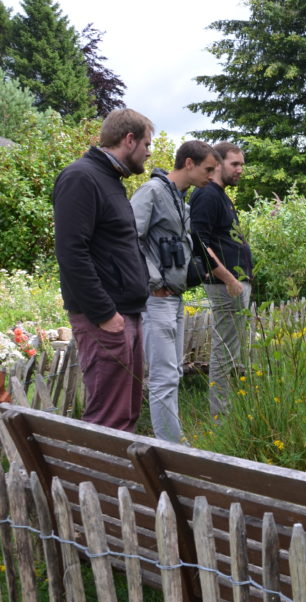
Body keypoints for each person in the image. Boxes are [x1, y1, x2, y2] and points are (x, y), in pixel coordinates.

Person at [132, 140, 244, 441]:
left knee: (174, 374)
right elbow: (129, 239)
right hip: (157, 299)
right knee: (164, 378)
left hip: (175, 297)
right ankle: (172, 451)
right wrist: (152, 282)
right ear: (189, 163)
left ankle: (173, 443)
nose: (212, 175)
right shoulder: (153, 192)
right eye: (209, 168)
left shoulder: (180, 201)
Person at [53, 109, 153, 432]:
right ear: (129, 139)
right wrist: (104, 314)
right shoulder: (81, 177)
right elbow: (71, 253)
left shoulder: (110, 180)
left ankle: (116, 483)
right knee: (107, 421)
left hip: (126, 314)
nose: (149, 152)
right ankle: (91, 484)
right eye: (147, 144)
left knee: (126, 416)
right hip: (105, 319)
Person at [189, 142, 251, 418]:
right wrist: (229, 278)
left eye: (242, 164)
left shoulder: (221, 195)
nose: (241, 170)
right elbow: (199, 242)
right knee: (224, 352)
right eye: (235, 164)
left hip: (232, 285)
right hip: (224, 286)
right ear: (217, 163)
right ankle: (220, 417)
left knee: (231, 350)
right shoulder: (207, 195)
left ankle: (224, 412)